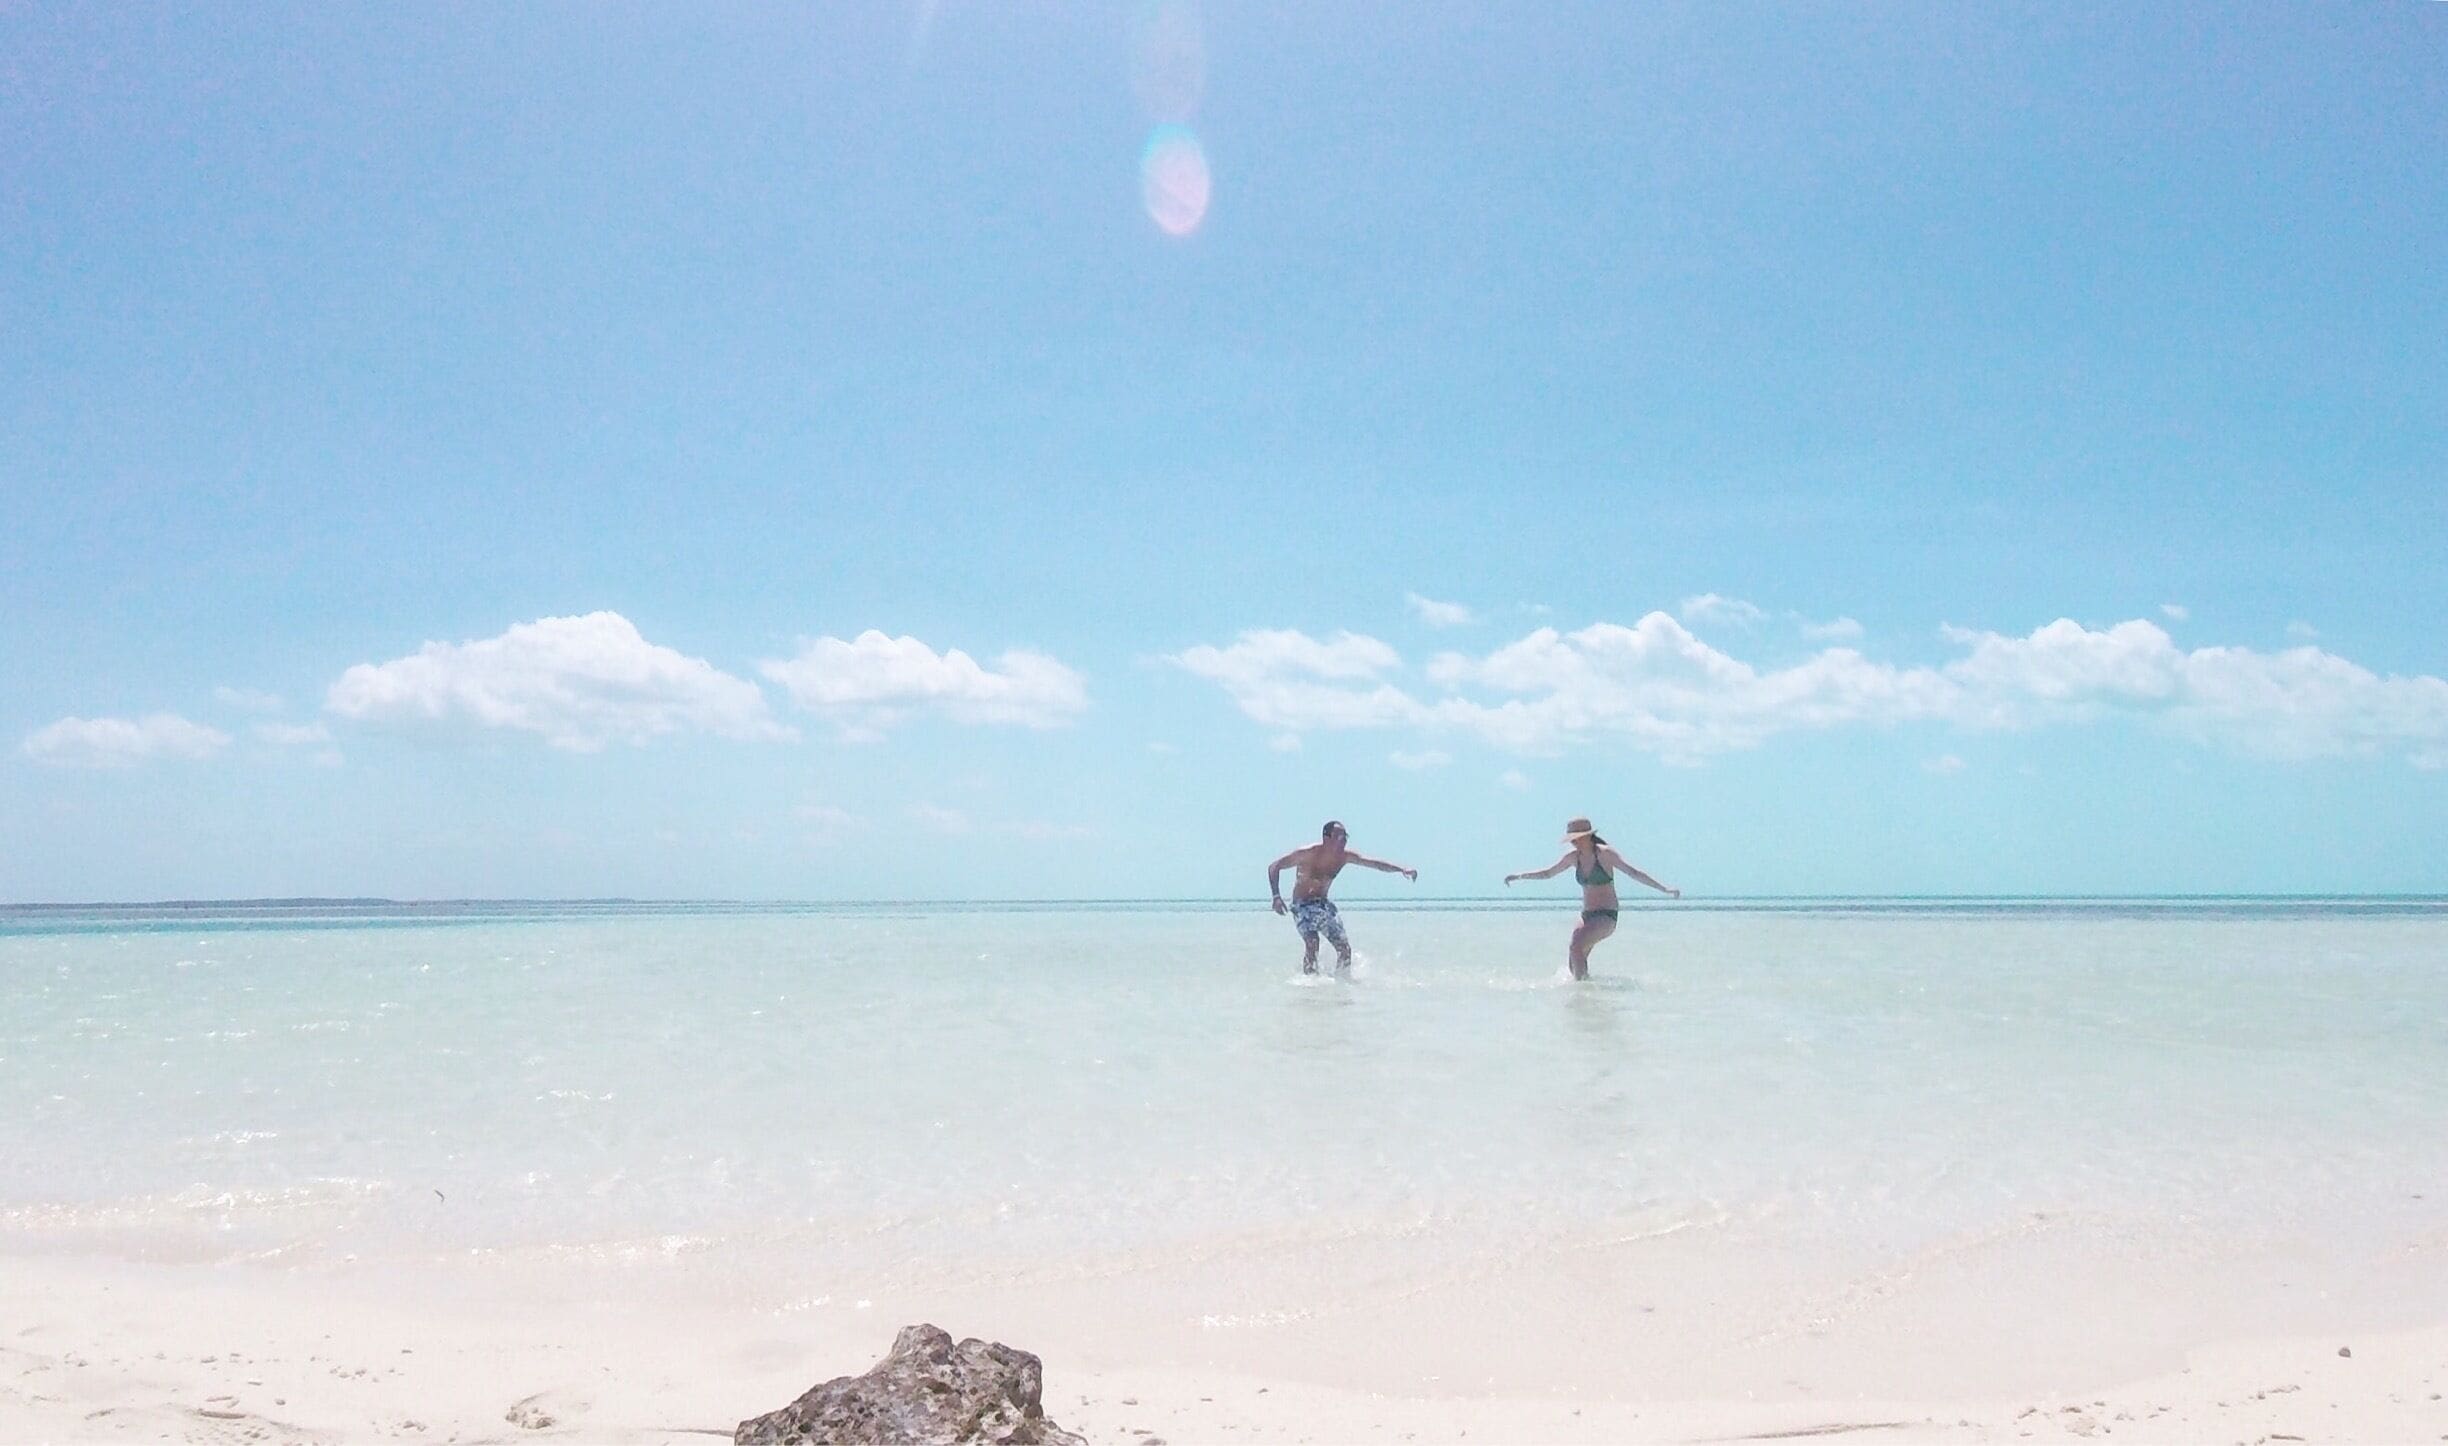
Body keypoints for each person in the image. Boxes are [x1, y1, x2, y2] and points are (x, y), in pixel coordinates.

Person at [1504, 816, 1678, 980]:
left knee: (1576, 946)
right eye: (1571, 838)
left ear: (1588, 836)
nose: (1573, 842)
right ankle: (1586, 998)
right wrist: (1519, 876)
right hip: (1586, 916)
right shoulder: (1573, 858)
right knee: (1574, 961)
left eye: (1577, 837)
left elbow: (1634, 873)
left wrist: (1665, 889)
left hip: (1607, 915)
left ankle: (1584, 992)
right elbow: (1548, 873)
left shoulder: (1605, 854)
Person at [1266, 820, 1418, 974]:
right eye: (1339, 837)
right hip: (1302, 905)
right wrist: (1276, 896)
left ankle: (1341, 986)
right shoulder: (1308, 853)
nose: (1344, 841)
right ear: (1326, 838)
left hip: (1323, 905)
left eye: (1345, 837)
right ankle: (1309, 984)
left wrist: (1402, 869)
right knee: (1313, 943)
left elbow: (1374, 863)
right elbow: (1274, 866)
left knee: (1344, 949)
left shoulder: (1344, 857)